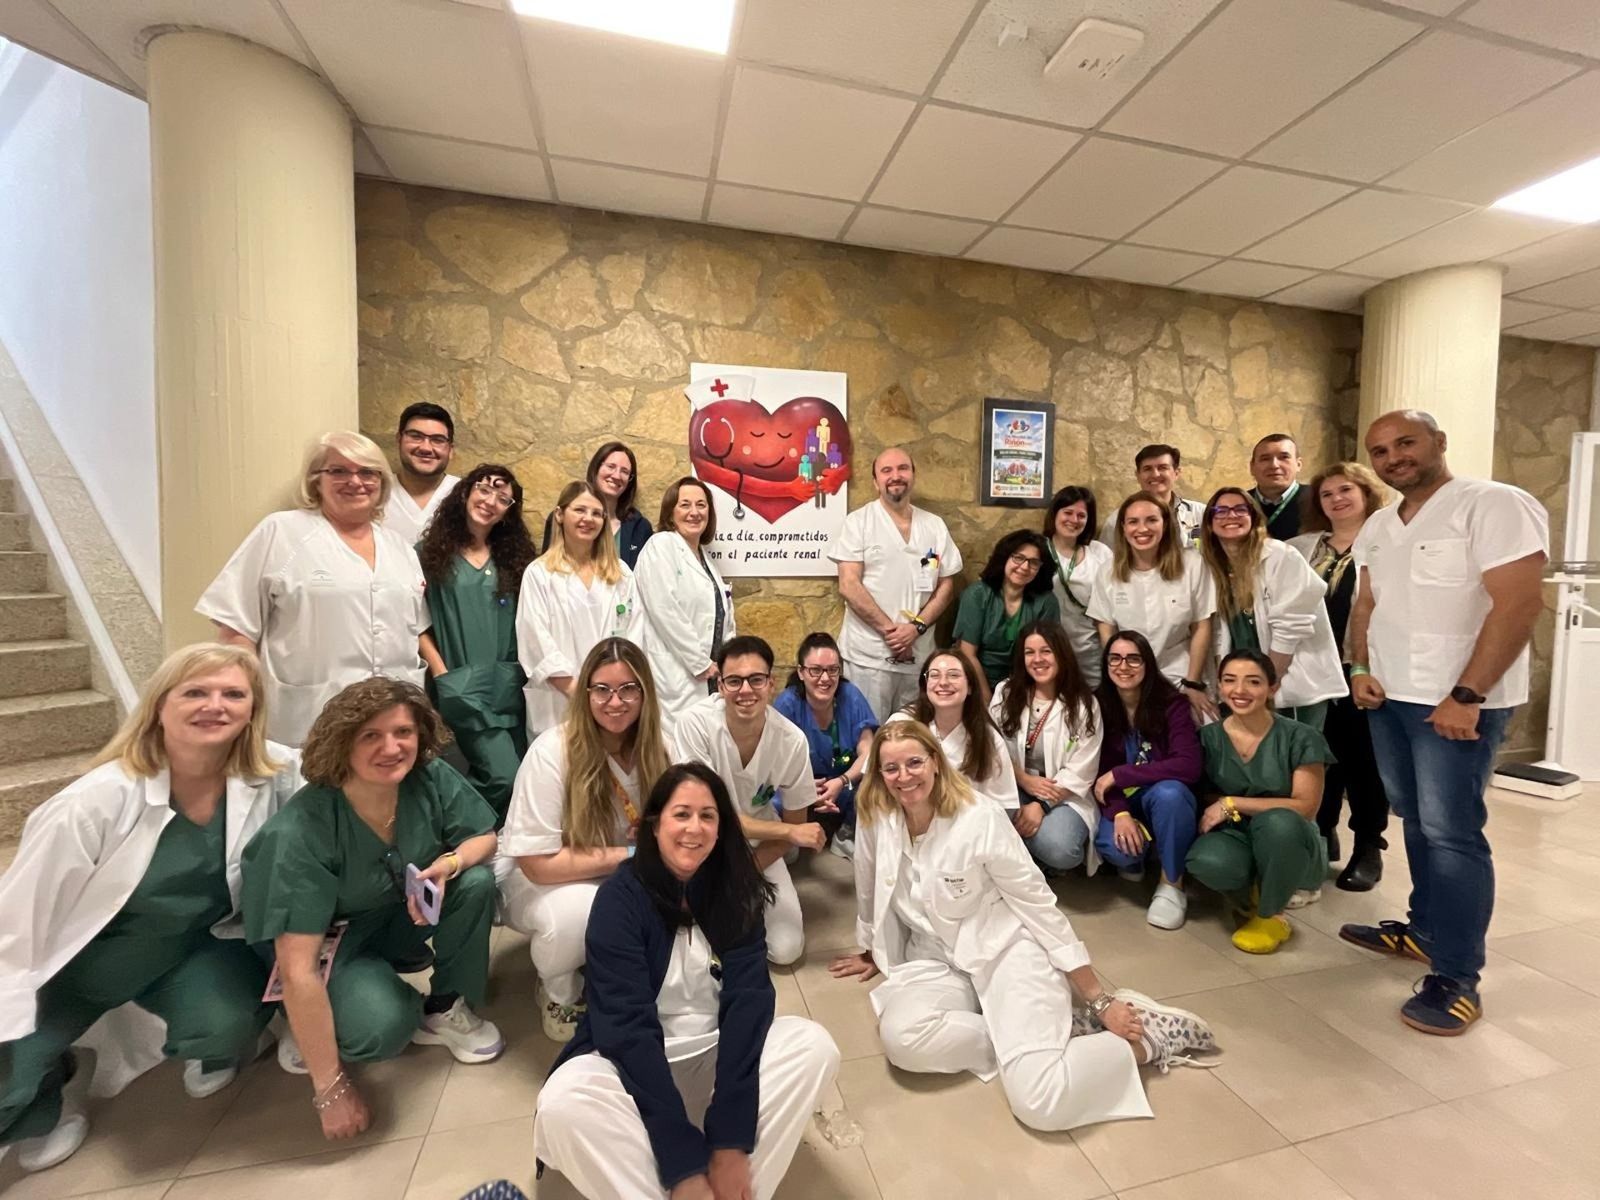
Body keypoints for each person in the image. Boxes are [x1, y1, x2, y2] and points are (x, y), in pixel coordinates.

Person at [828, 721, 1216, 1133]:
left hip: (1005, 950)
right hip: (936, 957)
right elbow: (869, 884)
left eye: (914, 763)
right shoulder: (877, 817)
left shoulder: (979, 817)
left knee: (1040, 1101)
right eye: (891, 769)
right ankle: (1046, 1035)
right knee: (902, 1039)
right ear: (879, 775)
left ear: (936, 763)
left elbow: (1037, 905)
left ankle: (1150, 1039)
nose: (904, 777)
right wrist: (869, 946)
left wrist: (1098, 998)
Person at [0, 645, 300, 1173]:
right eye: (195, 693)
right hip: (70, 968)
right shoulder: (93, 802)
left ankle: (193, 1030)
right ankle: (52, 1087)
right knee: (8, 1087)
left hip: (185, 952)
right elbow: (15, 922)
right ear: (159, 705)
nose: (216, 705)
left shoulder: (271, 774)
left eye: (234, 694)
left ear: (252, 709)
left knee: (226, 1031)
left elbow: (332, 791)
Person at [533, 764, 840, 1199]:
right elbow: (625, 1029)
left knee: (812, 1045)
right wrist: (682, 1164)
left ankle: (729, 1181)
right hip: (635, 1069)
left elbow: (749, 1003)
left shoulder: (734, 890)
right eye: (681, 814)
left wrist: (731, 1140)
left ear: (721, 829)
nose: (694, 828)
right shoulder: (620, 899)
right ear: (655, 825)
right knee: (562, 1101)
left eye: (708, 816)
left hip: (714, 1057)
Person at [1340, 410, 1547, 1036]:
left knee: (1454, 833)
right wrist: (1359, 665)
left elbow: (1520, 602)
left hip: (1457, 704)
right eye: (1380, 450)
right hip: (1390, 697)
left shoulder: (1493, 505)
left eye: (1406, 443)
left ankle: (1458, 977)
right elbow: (1367, 602)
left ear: (1438, 442)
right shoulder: (1380, 523)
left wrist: (1467, 693)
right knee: (1418, 820)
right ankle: (1425, 930)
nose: (1393, 457)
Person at [242, 678, 504, 1141]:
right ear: (342, 743)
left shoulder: (427, 777)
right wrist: (330, 1088)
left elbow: (484, 836)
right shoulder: (300, 831)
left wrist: (449, 863)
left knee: (477, 881)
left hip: (390, 916)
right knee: (381, 1030)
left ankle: (443, 1006)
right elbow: (299, 967)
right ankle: (309, 1019)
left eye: (403, 732)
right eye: (371, 735)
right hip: (325, 943)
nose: (392, 747)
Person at [197, 430, 427, 747]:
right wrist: (240, 706)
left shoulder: (402, 550)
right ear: (316, 479)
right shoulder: (281, 533)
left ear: (382, 481)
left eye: (367, 472)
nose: (355, 481)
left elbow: (412, 632)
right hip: (305, 720)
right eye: (339, 471)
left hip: (392, 725)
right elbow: (236, 628)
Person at [501, 638, 671, 1044]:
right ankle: (559, 988)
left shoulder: (661, 746)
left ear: (645, 692)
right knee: (576, 915)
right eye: (602, 690)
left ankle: (608, 966)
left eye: (629, 688)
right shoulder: (552, 751)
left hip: (621, 869)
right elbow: (536, 864)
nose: (616, 702)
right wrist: (632, 854)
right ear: (586, 692)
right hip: (549, 881)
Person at [673, 637, 822, 966]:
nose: (746, 690)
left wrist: (743, 874)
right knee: (688, 948)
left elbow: (795, 824)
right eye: (734, 680)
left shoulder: (791, 740)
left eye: (756, 679)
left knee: (786, 949)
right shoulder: (694, 725)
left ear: (771, 684)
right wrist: (787, 834)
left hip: (759, 845)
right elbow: (709, 815)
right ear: (720, 686)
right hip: (700, 841)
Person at [1187, 650, 1332, 955]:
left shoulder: (1301, 737)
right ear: (1219, 686)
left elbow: (1305, 807)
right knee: (1205, 862)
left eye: (1253, 682)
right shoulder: (1208, 738)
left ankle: (1271, 916)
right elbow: (1202, 794)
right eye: (1229, 681)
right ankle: (1249, 896)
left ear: (1272, 688)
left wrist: (1232, 803)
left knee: (1278, 821)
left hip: (1289, 838)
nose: (1239, 691)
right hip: (1235, 834)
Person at [1289, 462, 1391, 890]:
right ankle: (1322, 828)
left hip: (1363, 666)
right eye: (1327, 494)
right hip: (1313, 668)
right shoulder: (1303, 547)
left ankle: (1368, 845)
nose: (1336, 499)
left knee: (1363, 759)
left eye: (1345, 490)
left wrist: (1365, 665)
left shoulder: (1387, 543)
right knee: (1317, 753)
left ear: (1366, 492)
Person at [417, 464, 536, 819]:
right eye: (484, 489)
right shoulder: (429, 554)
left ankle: (479, 840)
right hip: (461, 683)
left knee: (521, 778)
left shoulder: (513, 560)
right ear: (466, 491)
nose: (490, 501)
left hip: (507, 684)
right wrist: (440, 673)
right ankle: (448, 823)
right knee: (505, 777)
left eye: (503, 498)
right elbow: (414, 621)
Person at [1197, 486, 1347, 731]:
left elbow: (1290, 628)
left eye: (1239, 509)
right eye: (1220, 511)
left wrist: (1268, 682)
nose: (1230, 516)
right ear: (1209, 522)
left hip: (1287, 684)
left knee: (1294, 763)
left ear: (1254, 517)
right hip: (1243, 689)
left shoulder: (1281, 556)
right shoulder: (1214, 568)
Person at [829, 447, 963, 721]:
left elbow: (947, 584)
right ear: (875, 481)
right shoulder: (859, 522)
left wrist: (915, 630)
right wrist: (893, 633)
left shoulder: (934, 526)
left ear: (913, 475)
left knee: (913, 738)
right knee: (869, 738)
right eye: (886, 470)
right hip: (869, 657)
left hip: (918, 655)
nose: (895, 476)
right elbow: (849, 584)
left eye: (903, 468)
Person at [1092, 631, 1203, 930]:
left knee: (1170, 793)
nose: (1123, 666)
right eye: (1115, 658)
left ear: (1147, 664)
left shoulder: (1172, 704)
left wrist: (1121, 774)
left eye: (1133, 659)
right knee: (1117, 848)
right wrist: (1121, 813)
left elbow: (1188, 765)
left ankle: (1172, 884)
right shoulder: (1097, 705)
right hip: (1126, 801)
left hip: (1164, 797)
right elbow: (1097, 776)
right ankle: (1143, 856)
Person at [517, 480, 641, 741]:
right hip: (560, 702)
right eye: (580, 510)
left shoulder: (621, 574)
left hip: (614, 702)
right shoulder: (540, 574)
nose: (589, 519)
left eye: (597, 513)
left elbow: (634, 635)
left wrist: (610, 694)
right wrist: (582, 694)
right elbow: (535, 641)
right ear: (560, 515)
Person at [1088, 491, 1217, 723]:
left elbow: (1202, 626)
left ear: (1166, 524)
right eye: (1133, 522)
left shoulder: (1193, 564)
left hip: (1181, 673)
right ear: (1123, 528)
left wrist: (1193, 683)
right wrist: (1121, 675)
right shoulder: (1108, 571)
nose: (1142, 529)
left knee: (1200, 725)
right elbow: (1107, 630)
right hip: (1130, 675)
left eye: (1151, 520)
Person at [990, 621, 1104, 875]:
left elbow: (1082, 769)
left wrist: (1041, 805)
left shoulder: (1084, 704)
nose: (1037, 659)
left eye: (1046, 651)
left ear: (1061, 653)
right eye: (1030, 652)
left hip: (1060, 794)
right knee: (987, 819)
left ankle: (1018, 853)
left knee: (1061, 850)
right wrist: (1023, 778)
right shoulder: (1006, 693)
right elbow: (992, 748)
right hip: (1014, 785)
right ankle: (1026, 857)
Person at [633, 477, 734, 735]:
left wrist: (730, 664)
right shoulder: (661, 546)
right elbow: (665, 610)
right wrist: (700, 662)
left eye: (701, 505)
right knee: (676, 755)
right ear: (671, 512)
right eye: (685, 505)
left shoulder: (707, 561)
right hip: (676, 676)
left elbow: (724, 620)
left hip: (711, 678)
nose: (694, 512)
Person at [771, 632, 877, 858]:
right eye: (816, 670)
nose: (825, 678)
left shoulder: (851, 696)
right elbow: (773, 763)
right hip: (798, 786)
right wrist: (804, 789)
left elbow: (868, 753)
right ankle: (790, 836)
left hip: (843, 782)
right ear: (801, 672)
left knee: (877, 779)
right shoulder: (787, 704)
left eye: (832, 670)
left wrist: (841, 781)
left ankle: (846, 834)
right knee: (773, 802)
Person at [889, 649, 1018, 813]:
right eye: (934, 675)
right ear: (925, 685)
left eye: (953, 675)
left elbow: (1003, 805)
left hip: (967, 829)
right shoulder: (900, 723)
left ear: (970, 686)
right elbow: (876, 786)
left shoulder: (987, 736)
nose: (943, 682)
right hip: (907, 823)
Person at [953, 530, 1061, 699]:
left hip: (1026, 683)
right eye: (1018, 558)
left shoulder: (1046, 601)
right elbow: (967, 654)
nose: (1024, 567)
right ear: (1004, 558)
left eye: (1033, 562)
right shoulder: (977, 595)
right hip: (976, 682)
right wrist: (988, 699)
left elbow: (1047, 655)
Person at [539, 440, 653, 569]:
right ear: (596, 468)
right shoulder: (565, 518)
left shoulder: (641, 528)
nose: (616, 475)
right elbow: (548, 565)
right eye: (611, 466)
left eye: (625, 472)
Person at [1043, 485, 1113, 687]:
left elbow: (1111, 604)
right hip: (1048, 649)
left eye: (1081, 515)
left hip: (1091, 649)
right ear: (1055, 513)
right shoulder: (1037, 549)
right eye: (1068, 512)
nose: (1074, 520)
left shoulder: (1100, 553)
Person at [1097, 444, 1206, 548]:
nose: (1155, 474)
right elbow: (1109, 561)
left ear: (1176, 473)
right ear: (1138, 475)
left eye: (1163, 468)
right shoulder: (1116, 521)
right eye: (1147, 469)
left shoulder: (1201, 514)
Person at [385, 402, 460, 547]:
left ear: (450, 450)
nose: (426, 448)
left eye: (437, 440)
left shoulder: (466, 495)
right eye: (416, 436)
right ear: (399, 440)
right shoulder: (375, 492)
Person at [1247, 433, 1305, 541]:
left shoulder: (1318, 500)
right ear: (1252, 467)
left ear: (1298, 464)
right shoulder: (1239, 504)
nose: (1274, 465)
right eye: (1265, 459)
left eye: (1284, 457)